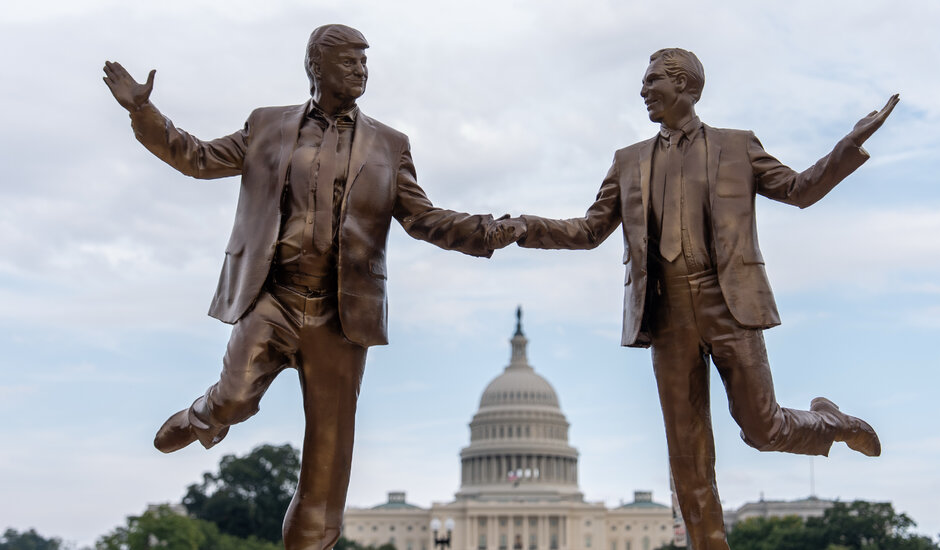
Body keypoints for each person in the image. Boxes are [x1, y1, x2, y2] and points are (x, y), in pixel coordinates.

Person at [103, 24, 520, 550]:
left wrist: (485, 230)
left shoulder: (390, 145)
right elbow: (199, 158)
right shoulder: (268, 126)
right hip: (274, 297)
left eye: (366, 63)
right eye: (349, 62)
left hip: (340, 317)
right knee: (235, 398)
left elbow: (423, 218)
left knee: (326, 465)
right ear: (316, 67)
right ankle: (203, 416)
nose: (361, 71)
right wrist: (143, 113)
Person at [498, 48, 898, 550]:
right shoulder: (629, 161)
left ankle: (831, 422)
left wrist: (849, 146)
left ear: (685, 86)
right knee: (686, 459)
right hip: (666, 314)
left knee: (762, 428)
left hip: (727, 302)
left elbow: (798, 189)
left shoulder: (737, 146)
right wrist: (524, 227)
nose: (643, 91)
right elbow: (588, 230)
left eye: (652, 82)